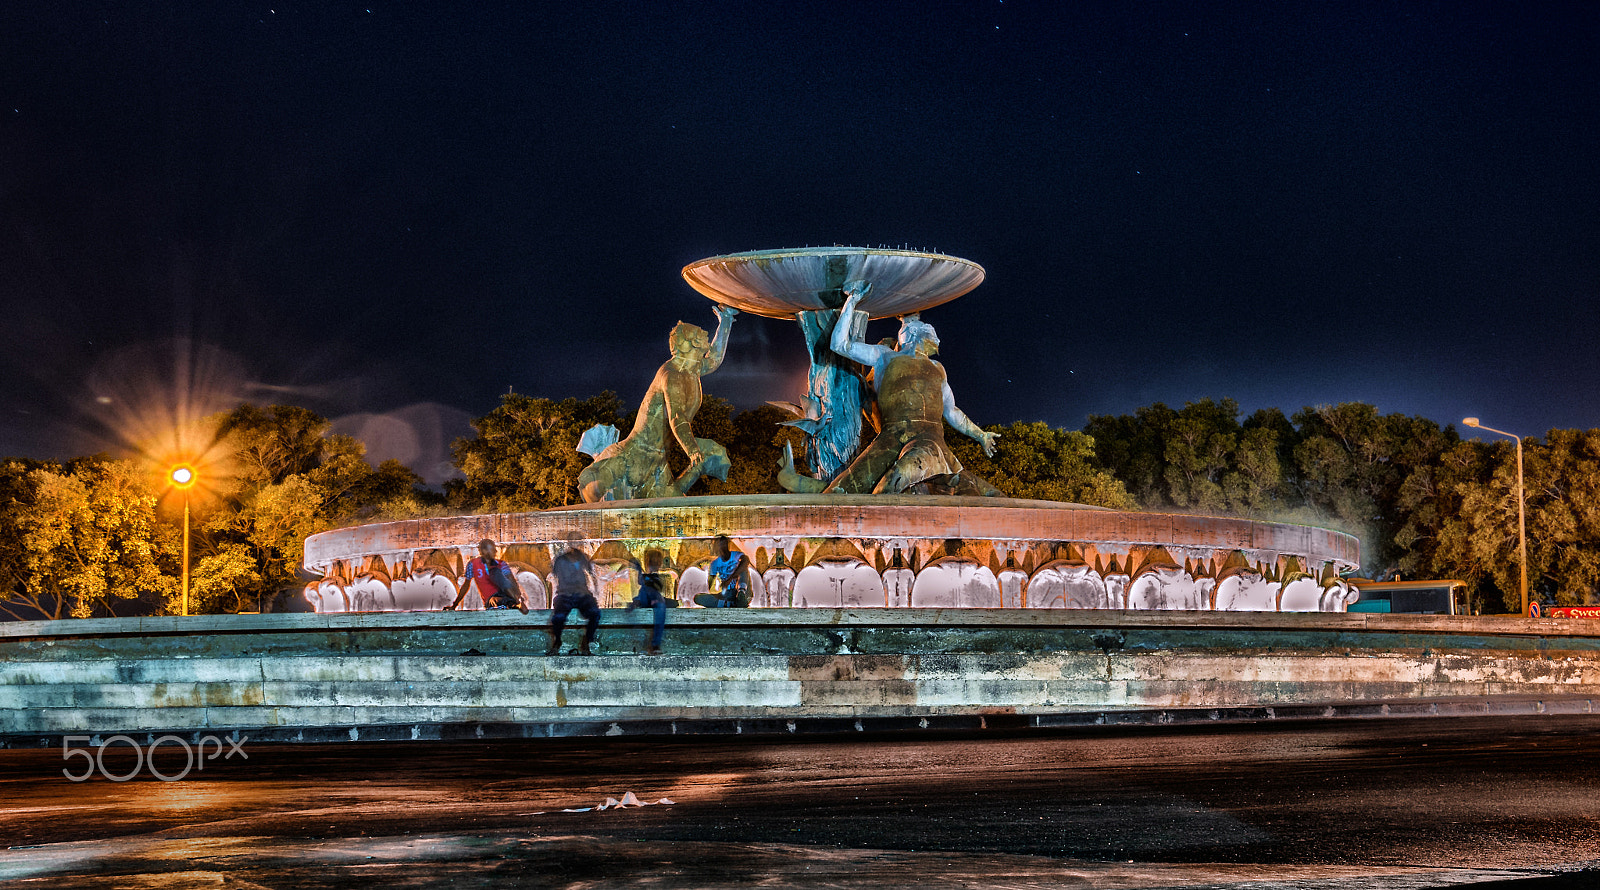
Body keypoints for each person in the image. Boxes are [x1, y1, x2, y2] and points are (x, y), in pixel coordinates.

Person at [779, 280, 1001, 496]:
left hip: (928, 443)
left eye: (903, 326)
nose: (899, 330)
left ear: (912, 334)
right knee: (841, 490)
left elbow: (952, 412)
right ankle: (795, 483)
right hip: (890, 439)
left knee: (886, 488)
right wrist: (852, 301)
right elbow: (839, 345)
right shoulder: (884, 356)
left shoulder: (936, 368)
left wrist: (980, 435)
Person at [578, 305, 738, 502]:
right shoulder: (672, 375)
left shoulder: (690, 370)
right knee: (591, 491)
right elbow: (676, 417)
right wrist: (692, 448)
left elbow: (714, 360)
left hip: (657, 464)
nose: (705, 338)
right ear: (690, 344)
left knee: (678, 510)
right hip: (632, 456)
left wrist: (726, 322)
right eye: (700, 336)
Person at [549, 533, 601, 655]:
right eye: (574, 540)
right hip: (565, 594)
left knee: (595, 613)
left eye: (579, 540)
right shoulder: (561, 560)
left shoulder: (583, 557)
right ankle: (557, 642)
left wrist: (593, 590)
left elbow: (590, 574)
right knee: (558, 617)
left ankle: (586, 641)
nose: (577, 543)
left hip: (581, 595)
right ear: (569, 542)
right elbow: (560, 578)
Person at [445, 539, 527, 614]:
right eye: (492, 549)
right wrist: (454, 605)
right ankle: (514, 602)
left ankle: (516, 601)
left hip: (507, 594)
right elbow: (466, 585)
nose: (495, 551)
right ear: (483, 551)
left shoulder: (501, 564)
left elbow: (511, 581)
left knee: (496, 572)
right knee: (496, 599)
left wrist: (518, 595)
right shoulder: (473, 564)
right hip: (492, 599)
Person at [625, 549, 669, 655]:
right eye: (652, 561)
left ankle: (655, 645)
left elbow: (658, 586)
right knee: (645, 590)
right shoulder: (646, 577)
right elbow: (641, 582)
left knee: (649, 593)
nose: (654, 564)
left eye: (656, 561)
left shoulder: (657, 578)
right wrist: (639, 569)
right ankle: (637, 601)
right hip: (647, 598)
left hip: (654, 599)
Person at [695, 535, 751, 608]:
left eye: (724, 544)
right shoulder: (714, 564)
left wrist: (730, 578)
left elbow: (746, 561)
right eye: (720, 545)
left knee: (743, 567)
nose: (722, 547)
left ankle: (741, 595)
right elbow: (711, 587)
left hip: (741, 590)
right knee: (698, 598)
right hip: (727, 594)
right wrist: (718, 593)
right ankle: (729, 604)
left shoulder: (736, 555)